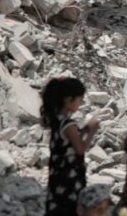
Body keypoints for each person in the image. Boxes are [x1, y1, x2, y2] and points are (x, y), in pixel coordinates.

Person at [41, 77, 99, 216]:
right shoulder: (69, 124)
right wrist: (92, 131)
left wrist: (84, 129)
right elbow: (79, 149)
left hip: (58, 176)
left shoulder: (57, 121)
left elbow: (70, 140)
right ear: (68, 100)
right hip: (69, 178)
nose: (80, 104)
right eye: (79, 100)